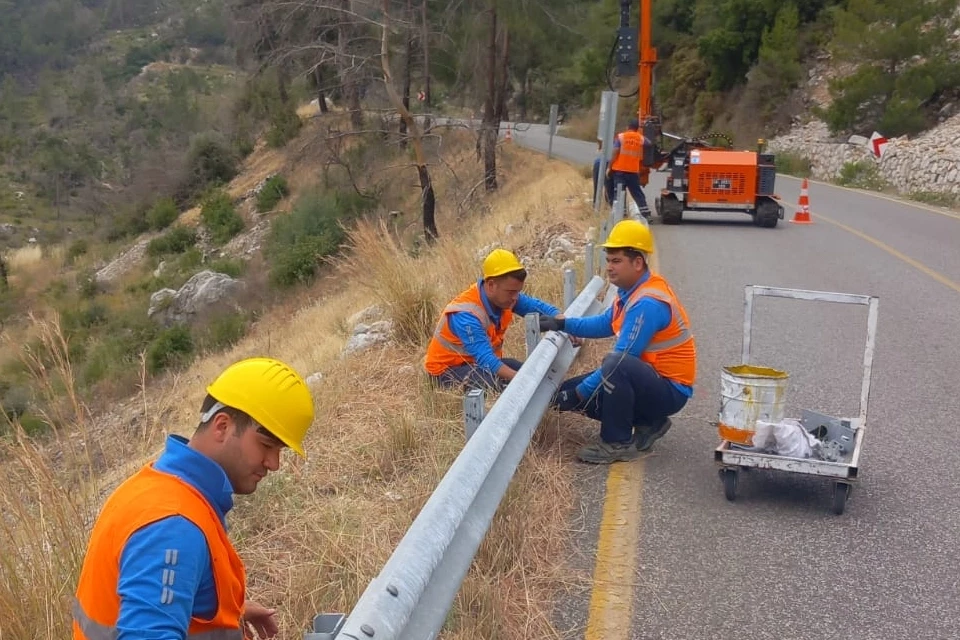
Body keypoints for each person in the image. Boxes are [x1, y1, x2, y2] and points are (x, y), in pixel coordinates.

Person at [72, 357, 316, 640]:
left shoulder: (158, 485)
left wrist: (231, 613)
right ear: (222, 426)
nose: (274, 463)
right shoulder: (173, 525)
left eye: (280, 450)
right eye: (266, 445)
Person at [538, 220, 696, 464]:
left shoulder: (647, 303)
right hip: (651, 380)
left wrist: (579, 394)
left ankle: (616, 442)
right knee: (566, 391)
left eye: (616, 261)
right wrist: (562, 324)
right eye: (608, 260)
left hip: (670, 391)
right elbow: (604, 323)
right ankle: (649, 421)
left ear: (637, 263)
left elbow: (622, 360)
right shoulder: (631, 291)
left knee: (612, 367)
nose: (609, 267)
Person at [424, 249, 565, 392]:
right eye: (511, 292)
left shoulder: (505, 297)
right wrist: (525, 381)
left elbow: (536, 307)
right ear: (491, 285)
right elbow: (486, 360)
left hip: (476, 365)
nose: (516, 297)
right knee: (493, 384)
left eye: (518, 291)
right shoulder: (466, 315)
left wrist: (563, 322)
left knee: (522, 368)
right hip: (445, 373)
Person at [607, 118, 652, 219]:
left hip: (619, 170)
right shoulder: (640, 138)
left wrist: (610, 167)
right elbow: (649, 143)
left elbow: (615, 152)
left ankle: (621, 215)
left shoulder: (621, 137)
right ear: (637, 128)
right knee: (637, 193)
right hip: (633, 171)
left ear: (627, 127)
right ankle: (646, 214)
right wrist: (639, 135)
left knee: (619, 193)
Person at [591, 137, 614, 207]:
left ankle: (596, 204)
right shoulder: (611, 146)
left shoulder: (601, 148)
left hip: (599, 164)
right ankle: (608, 204)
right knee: (608, 187)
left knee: (598, 186)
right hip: (605, 164)